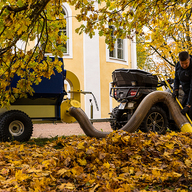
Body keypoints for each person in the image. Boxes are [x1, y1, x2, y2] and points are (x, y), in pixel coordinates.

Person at [172, 51, 192, 119]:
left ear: (189, 59)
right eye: (182, 63)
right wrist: (175, 89)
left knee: (190, 111)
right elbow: (176, 79)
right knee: (182, 109)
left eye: (186, 63)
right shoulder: (178, 65)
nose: (184, 65)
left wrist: (189, 105)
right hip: (186, 92)